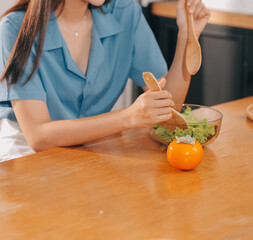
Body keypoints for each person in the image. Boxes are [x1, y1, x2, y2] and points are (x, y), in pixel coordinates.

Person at [0, 0, 210, 161]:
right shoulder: (15, 27)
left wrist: (187, 34)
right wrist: (128, 117)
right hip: (26, 153)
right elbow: (38, 137)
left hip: (94, 148)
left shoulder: (125, 12)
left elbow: (170, 108)